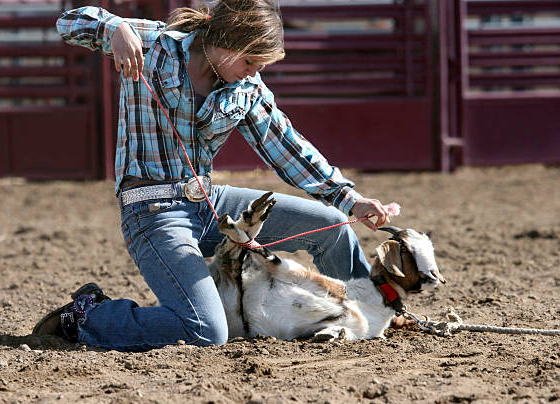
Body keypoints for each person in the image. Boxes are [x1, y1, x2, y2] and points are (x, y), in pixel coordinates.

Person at [33, 0, 397, 351]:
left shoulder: (248, 88)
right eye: (251, 60)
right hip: (153, 213)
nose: (255, 71)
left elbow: (288, 148)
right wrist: (115, 28)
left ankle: (371, 312)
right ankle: (86, 316)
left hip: (210, 205)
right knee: (205, 330)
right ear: (227, 39)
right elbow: (69, 21)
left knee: (334, 226)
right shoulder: (153, 42)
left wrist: (350, 199)